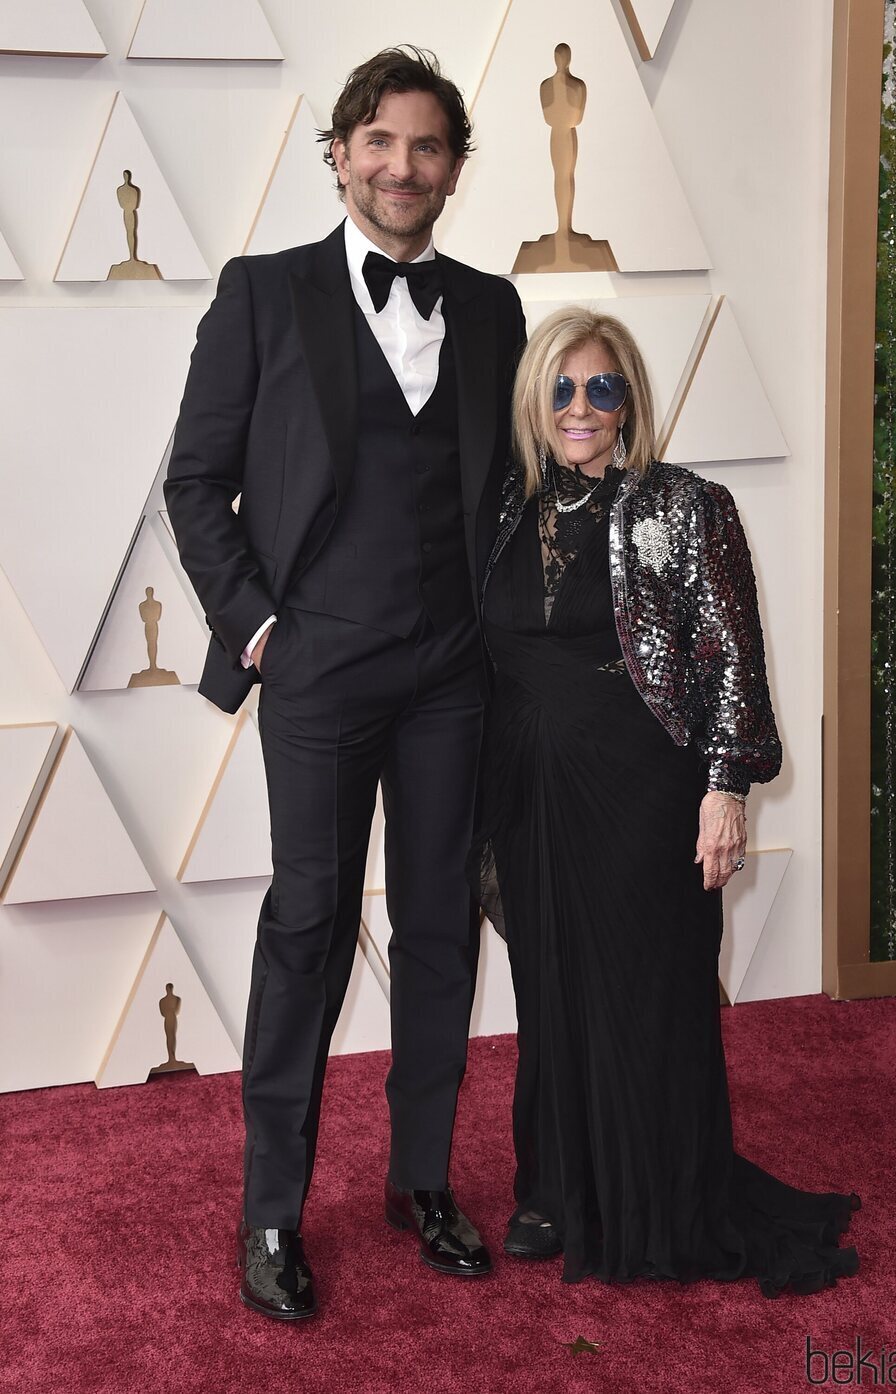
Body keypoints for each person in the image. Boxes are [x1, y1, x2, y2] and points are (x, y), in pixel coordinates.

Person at [164, 46, 525, 1320]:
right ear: (339, 154)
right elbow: (194, 484)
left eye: (426, 147)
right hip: (316, 666)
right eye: (378, 143)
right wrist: (261, 628)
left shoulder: (492, 308)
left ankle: (419, 1180)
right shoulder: (262, 294)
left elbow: (505, 492)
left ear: (453, 169)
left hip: (448, 673)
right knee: (306, 932)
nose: (400, 167)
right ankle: (272, 1206)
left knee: (437, 927)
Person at [475, 306, 860, 1294]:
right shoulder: (502, 508)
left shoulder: (684, 506)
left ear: (629, 400)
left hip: (643, 788)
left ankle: (659, 1200)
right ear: (534, 400)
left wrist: (723, 788)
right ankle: (555, 1188)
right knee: (548, 992)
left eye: (602, 387)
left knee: (650, 994)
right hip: (526, 792)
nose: (580, 407)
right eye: (561, 388)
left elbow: (733, 656)